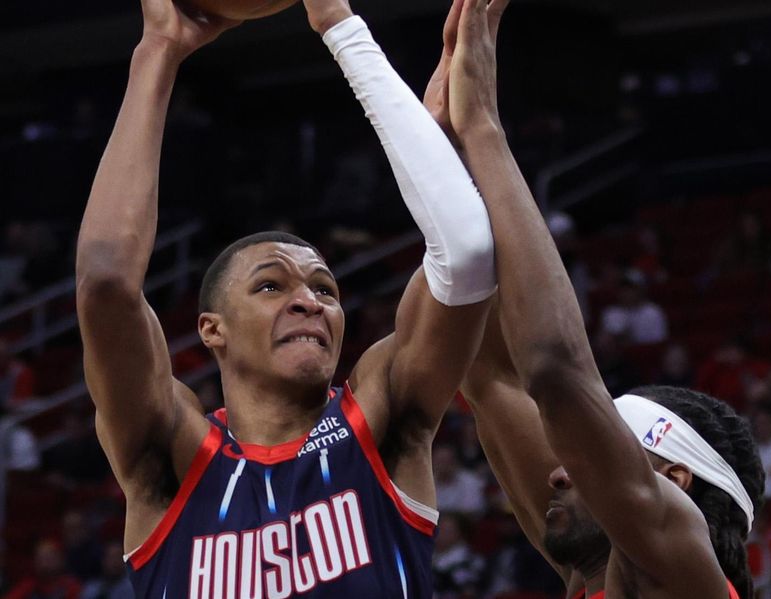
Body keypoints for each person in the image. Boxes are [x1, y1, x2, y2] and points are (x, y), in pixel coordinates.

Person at [75, 0, 497, 597]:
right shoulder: (171, 453)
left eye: (324, 288)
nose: (310, 302)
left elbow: (468, 252)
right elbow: (106, 286)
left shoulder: (377, 418)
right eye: (271, 285)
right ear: (212, 329)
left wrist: (339, 26)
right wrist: (157, 54)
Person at [435, 0, 765, 597]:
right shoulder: (592, 576)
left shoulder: (685, 585)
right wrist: (448, 156)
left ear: (676, 483)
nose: (559, 471)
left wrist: (483, 126)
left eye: (593, 455)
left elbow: (554, 374)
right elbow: (488, 375)